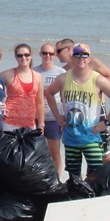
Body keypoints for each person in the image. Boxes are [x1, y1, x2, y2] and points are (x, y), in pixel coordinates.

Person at [46, 44, 110, 178]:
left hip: (91, 136)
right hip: (71, 136)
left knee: (96, 174)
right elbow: (49, 93)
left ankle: (94, 197)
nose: (81, 58)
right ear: (72, 58)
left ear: (89, 58)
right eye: (77, 55)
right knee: (74, 176)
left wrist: (107, 122)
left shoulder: (98, 79)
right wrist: (57, 116)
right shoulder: (63, 78)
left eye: (84, 55)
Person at [34, 42, 66, 170]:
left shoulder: (61, 72)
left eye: (51, 53)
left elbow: (65, 97)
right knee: (36, 153)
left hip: (54, 118)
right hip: (36, 118)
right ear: (40, 54)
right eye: (45, 53)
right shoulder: (34, 71)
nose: (47, 56)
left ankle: (56, 182)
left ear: (55, 55)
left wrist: (64, 116)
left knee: (55, 154)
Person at [0, 44, 45, 132]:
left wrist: (41, 124)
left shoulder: (38, 76)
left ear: (31, 55)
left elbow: (40, 102)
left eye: (26, 55)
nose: (23, 58)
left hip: (30, 124)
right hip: (9, 123)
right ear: (16, 57)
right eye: (20, 55)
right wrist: (0, 105)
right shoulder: (7, 74)